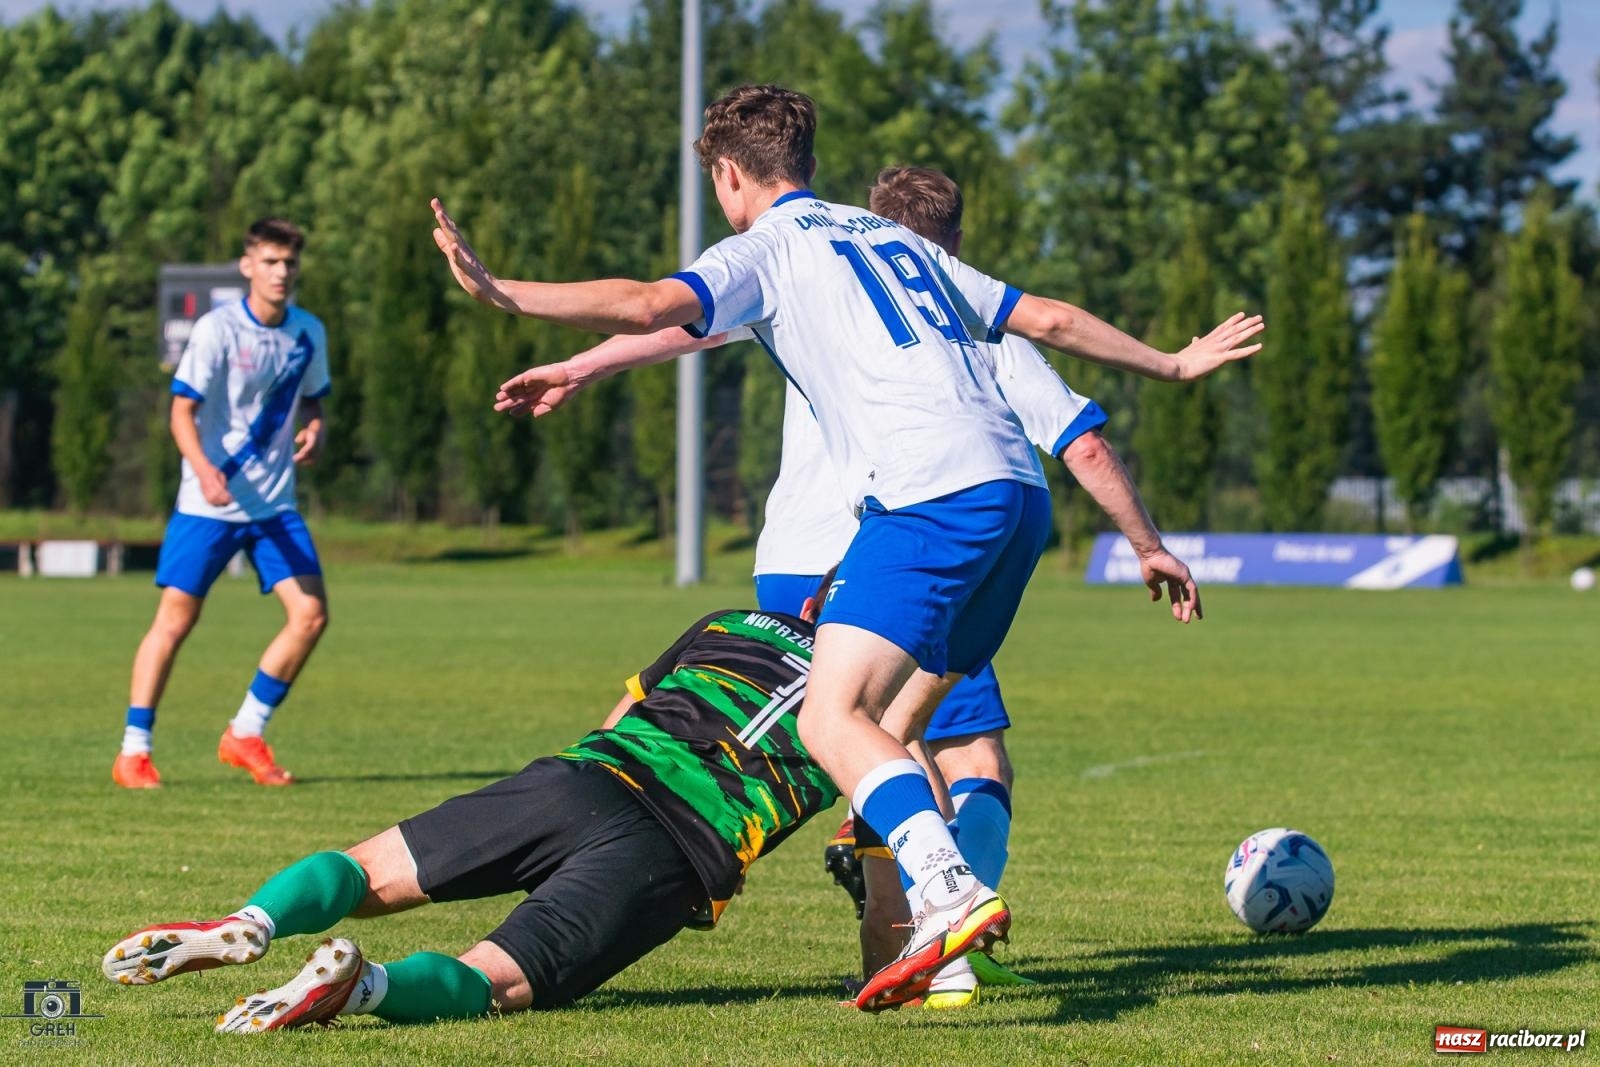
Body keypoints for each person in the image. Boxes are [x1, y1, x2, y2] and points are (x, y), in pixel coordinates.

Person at [431, 84, 1262, 1011]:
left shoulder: (769, 248)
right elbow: (1053, 322)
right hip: (1017, 502)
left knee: (831, 722)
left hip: (923, 502)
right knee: (896, 729)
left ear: (730, 173)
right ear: (815, 165)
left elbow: (646, 302)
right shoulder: (896, 239)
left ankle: (945, 899)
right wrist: (1175, 365)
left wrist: (503, 293)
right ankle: (922, 929)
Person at [102, 594, 841, 1033]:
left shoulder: (736, 621)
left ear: (810, 603)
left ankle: (253, 921)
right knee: (492, 981)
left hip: (582, 778)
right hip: (676, 849)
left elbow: (626, 706)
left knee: (366, 872)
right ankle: (364, 985)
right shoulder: (869, 697)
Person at [111, 218, 331, 790]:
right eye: (271, 261)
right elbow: (180, 411)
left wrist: (316, 431)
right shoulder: (217, 330)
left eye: (289, 263)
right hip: (207, 506)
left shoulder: (309, 332)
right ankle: (134, 751)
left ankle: (245, 732)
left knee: (310, 616)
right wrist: (205, 472)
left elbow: (314, 404)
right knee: (175, 622)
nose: (282, 272)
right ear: (247, 265)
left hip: (274, 507)